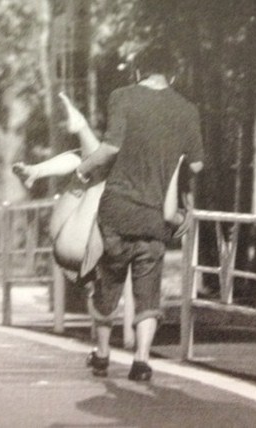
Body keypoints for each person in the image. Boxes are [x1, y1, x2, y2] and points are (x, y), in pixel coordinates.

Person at [76, 45, 204, 381]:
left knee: (107, 284)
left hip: (117, 211)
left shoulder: (122, 97)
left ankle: (102, 355)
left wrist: (83, 169)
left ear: (137, 71)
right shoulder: (187, 110)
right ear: (172, 75)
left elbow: (111, 147)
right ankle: (142, 361)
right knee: (148, 292)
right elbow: (196, 164)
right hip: (155, 216)